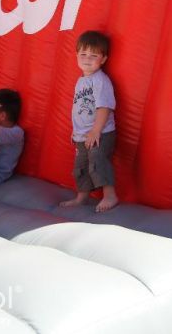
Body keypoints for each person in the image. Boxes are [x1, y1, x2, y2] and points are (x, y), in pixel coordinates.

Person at [60, 30, 118, 212]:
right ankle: (82, 197)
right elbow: (80, 108)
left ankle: (110, 195)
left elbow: (104, 107)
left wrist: (96, 130)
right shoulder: (81, 80)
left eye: (93, 55)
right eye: (83, 54)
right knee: (81, 166)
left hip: (101, 132)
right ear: (76, 55)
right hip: (82, 135)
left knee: (96, 160)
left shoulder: (100, 80)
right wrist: (76, 131)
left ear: (103, 59)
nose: (87, 59)